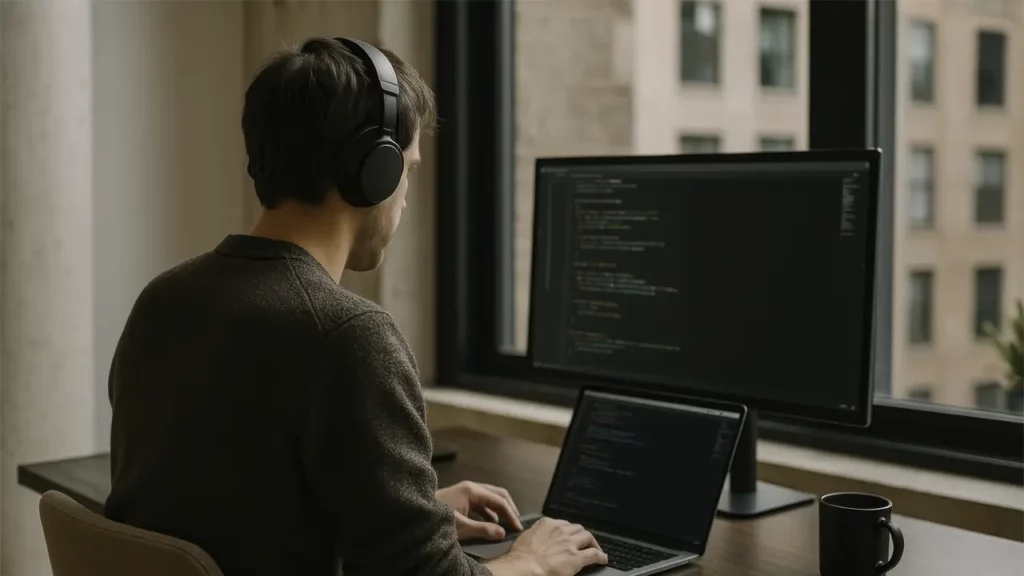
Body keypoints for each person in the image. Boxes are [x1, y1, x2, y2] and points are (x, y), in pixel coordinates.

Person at [105, 37, 608, 576]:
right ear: (376, 170)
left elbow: (233, 501)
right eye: (408, 170)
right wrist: (532, 560)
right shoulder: (346, 334)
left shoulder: (164, 300)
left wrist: (414, 516)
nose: (405, 195)